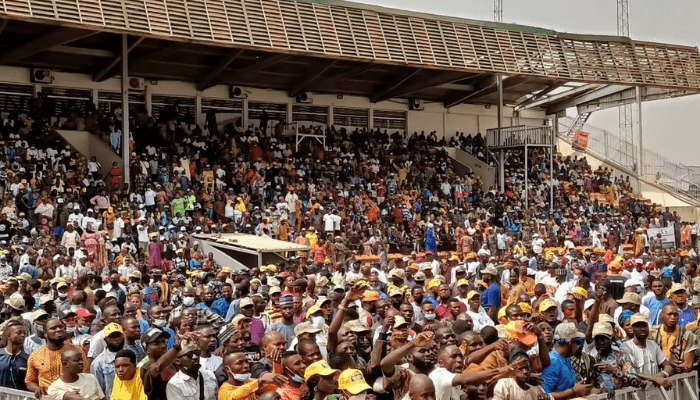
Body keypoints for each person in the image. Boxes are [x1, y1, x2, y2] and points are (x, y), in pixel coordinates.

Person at [26, 318, 88, 398]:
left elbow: (86, 375)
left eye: (61, 327)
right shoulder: (36, 355)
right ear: (45, 333)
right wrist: (36, 388)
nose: (58, 330)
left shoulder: (77, 351)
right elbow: (29, 381)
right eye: (53, 328)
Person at [540, 322, 593, 399]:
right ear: (570, 343)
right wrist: (573, 391)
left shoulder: (566, 358)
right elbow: (545, 395)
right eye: (576, 342)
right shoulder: (553, 362)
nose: (577, 346)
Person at [91, 322, 125, 399]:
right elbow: (98, 390)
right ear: (105, 339)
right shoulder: (98, 363)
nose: (116, 339)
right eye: (112, 336)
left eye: (118, 335)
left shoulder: (131, 355)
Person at [0, 321, 29, 390]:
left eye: (24, 333)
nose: (22, 335)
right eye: (19, 333)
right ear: (9, 336)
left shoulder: (27, 358)